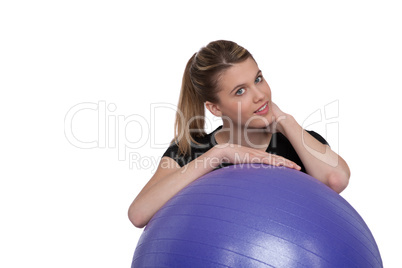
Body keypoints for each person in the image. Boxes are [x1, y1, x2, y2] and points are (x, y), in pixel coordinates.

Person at [128, 40, 350, 228]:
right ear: (215, 108)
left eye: (258, 79)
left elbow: (336, 180)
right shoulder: (191, 151)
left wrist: (286, 121)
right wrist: (219, 154)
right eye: (240, 91)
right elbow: (139, 214)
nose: (260, 95)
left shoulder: (298, 140)